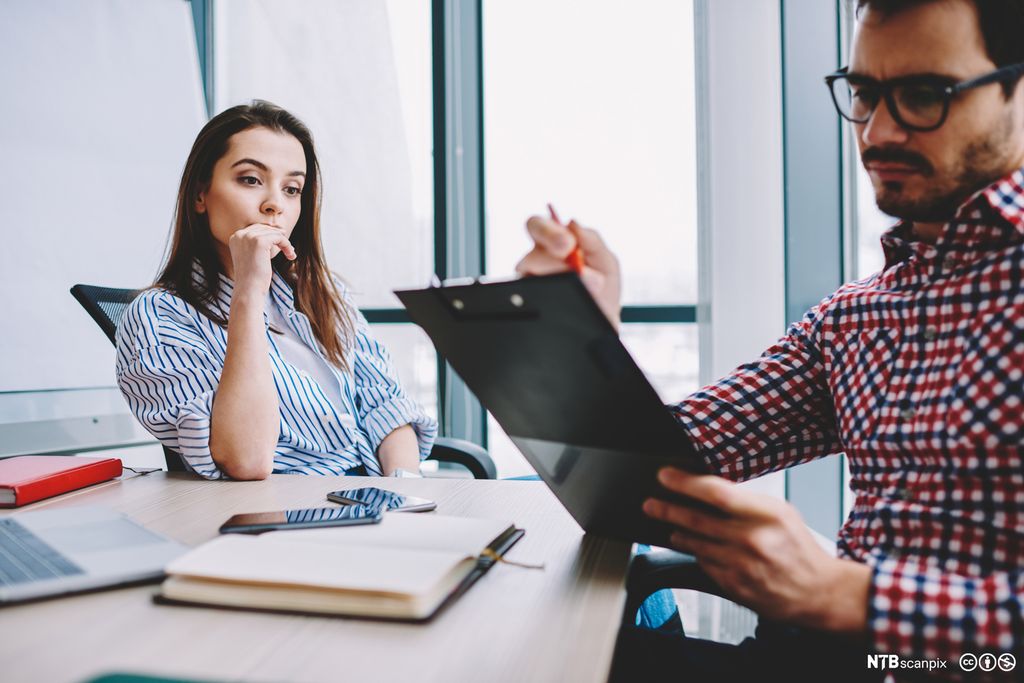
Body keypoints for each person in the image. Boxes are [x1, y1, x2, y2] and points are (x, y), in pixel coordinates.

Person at [517, 0, 1023, 680]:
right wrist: (586, 342)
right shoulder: (856, 316)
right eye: (865, 94)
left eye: (923, 95)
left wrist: (846, 594)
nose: (877, 131)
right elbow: (657, 472)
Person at [116, 101, 436, 480]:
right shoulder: (158, 316)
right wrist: (249, 291)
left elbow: (386, 406)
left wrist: (407, 492)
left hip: (374, 497)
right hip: (285, 513)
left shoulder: (322, 295)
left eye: (292, 188)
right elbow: (246, 460)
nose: (274, 205)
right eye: (250, 180)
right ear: (201, 194)